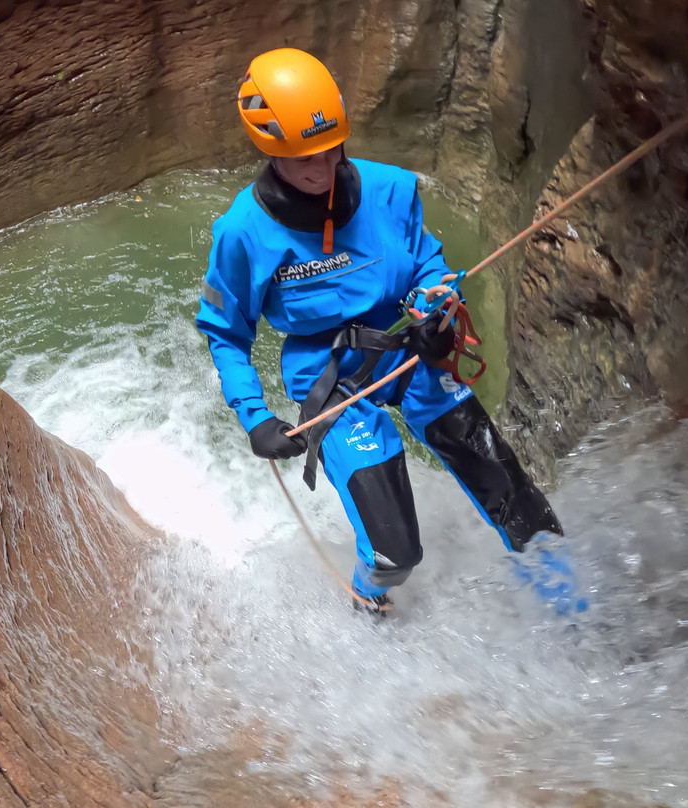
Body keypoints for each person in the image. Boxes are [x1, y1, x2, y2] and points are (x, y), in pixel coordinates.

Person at [195, 48, 565, 615]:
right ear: (270, 151)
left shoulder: (391, 191)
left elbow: (430, 268)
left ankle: (572, 607)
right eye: (303, 161)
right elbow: (226, 332)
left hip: (407, 351)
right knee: (396, 553)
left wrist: (434, 312)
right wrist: (255, 416)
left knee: (516, 496)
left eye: (329, 151)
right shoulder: (243, 233)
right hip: (330, 379)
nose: (321, 170)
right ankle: (369, 601)